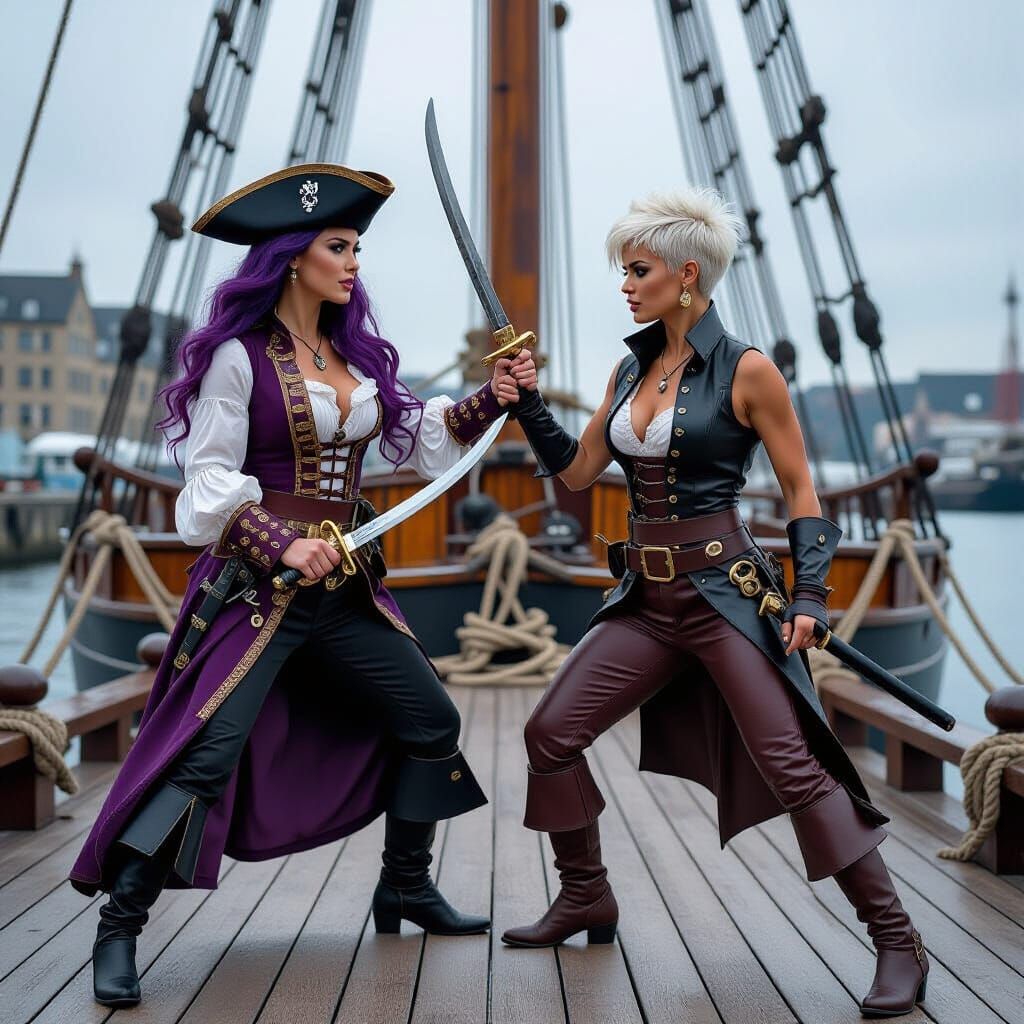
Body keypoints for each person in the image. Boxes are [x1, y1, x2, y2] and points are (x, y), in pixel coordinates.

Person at [69, 163, 536, 1008]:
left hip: (344, 591)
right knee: (205, 754)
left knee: (430, 717)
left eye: (357, 248)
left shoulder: (352, 356)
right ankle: (120, 926)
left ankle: (405, 885)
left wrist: (489, 398)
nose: (354, 262)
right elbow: (206, 484)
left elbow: (414, 440)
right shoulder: (238, 359)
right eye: (338, 247)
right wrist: (280, 541)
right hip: (257, 593)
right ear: (293, 258)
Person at [500, 187, 928, 1018]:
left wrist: (810, 595)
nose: (626, 285)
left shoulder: (748, 369)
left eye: (639, 270)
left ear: (687, 275)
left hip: (724, 596)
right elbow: (578, 472)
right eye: (625, 271)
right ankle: (585, 894)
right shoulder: (631, 368)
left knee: (794, 764)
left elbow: (802, 490)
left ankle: (896, 940)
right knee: (550, 732)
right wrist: (526, 405)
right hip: (646, 599)